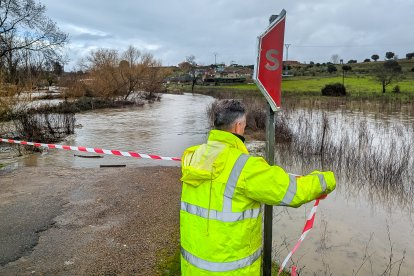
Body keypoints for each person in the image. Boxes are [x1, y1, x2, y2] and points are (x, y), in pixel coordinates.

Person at [180, 99, 336, 275]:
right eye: (245, 125)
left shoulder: (192, 156)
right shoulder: (245, 167)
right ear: (239, 126)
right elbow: (292, 192)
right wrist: (326, 180)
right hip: (231, 269)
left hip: (192, 267)